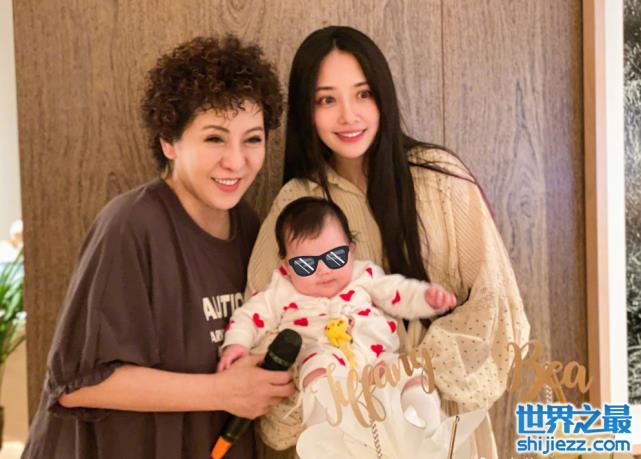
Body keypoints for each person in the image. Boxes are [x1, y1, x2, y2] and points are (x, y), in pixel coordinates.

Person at [246, 26, 531, 458]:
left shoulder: (439, 179)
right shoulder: (297, 202)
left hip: (439, 423)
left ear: (383, 95)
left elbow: (497, 306)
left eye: (362, 94)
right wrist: (331, 372)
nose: (348, 116)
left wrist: (413, 369)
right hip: (345, 436)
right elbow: (264, 330)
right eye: (327, 100)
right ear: (307, 111)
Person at [22, 35, 295, 459]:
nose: (236, 161)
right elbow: (76, 385)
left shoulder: (249, 226)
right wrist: (223, 392)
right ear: (169, 141)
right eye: (215, 138)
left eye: (253, 139)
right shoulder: (130, 225)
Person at [219, 197, 455, 436]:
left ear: (351, 252)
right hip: (325, 360)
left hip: (377, 361)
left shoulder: (364, 275)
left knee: (412, 372)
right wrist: (237, 344)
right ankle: (330, 439)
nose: (323, 270)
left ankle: (429, 434)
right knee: (316, 375)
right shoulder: (281, 290)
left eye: (334, 258)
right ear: (287, 266)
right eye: (305, 265)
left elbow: (398, 293)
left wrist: (426, 298)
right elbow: (250, 316)